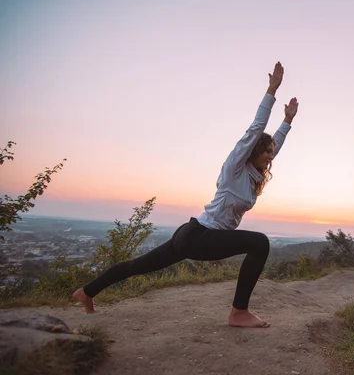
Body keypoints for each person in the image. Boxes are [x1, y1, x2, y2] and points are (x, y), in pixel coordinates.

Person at [73, 62, 298, 328]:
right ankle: (239, 312)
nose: (271, 155)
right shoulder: (234, 168)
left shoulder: (252, 176)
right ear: (253, 151)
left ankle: (86, 292)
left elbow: (275, 146)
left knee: (139, 265)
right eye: (266, 151)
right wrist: (271, 92)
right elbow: (254, 131)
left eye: (272, 152)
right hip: (201, 236)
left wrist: (287, 121)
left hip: (193, 234)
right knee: (260, 243)